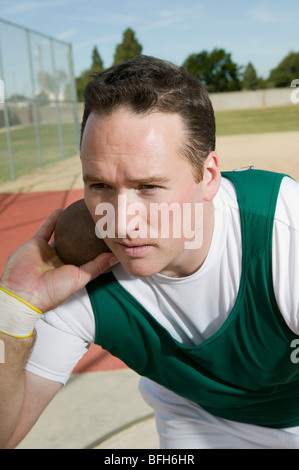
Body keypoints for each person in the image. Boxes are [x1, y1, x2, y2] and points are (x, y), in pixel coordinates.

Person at [1, 55, 299, 449]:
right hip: (195, 422)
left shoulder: (282, 232)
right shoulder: (76, 276)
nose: (122, 222)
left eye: (149, 187)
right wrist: (13, 308)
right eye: (100, 185)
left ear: (207, 177)